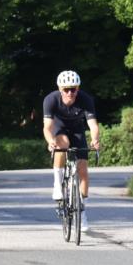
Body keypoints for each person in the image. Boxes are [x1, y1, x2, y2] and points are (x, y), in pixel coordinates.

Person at [43, 71, 101, 229]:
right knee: (62, 143)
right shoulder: (51, 99)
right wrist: (50, 141)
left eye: (73, 89)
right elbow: (47, 127)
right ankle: (57, 184)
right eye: (66, 89)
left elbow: (93, 125)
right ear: (60, 89)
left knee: (83, 170)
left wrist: (95, 139)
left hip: (77, 131)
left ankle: (82, 213)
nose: (70, 93)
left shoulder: (85, 99)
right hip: (59, 129)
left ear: (78, 88)